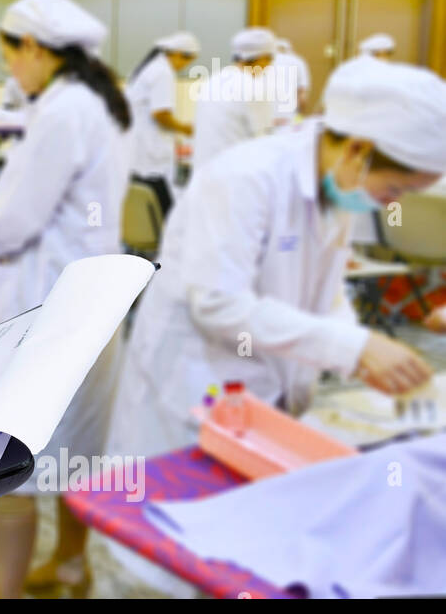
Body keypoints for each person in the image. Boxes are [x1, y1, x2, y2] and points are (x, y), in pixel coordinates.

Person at [109, 55, 444, 463]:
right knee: (172, 516)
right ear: (358, 151)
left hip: (265, 395)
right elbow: (218, 303)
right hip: (191, 393)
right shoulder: (247, 178)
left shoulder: (335, 185)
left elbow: (326, 293)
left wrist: (358, 353)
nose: (394, 203)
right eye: (395, 188)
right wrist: (350, 346)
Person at [0, 0, 131, 599]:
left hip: (46, 302)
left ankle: (8, 590)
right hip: (91, 299)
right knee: (76, 449)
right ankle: (72, 566)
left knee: (7, 451)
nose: (11, 72)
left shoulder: (64, 111)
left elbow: (20, 218)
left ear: (36, 49)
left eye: (9, 59)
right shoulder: (100, 103)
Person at [126, 31, 200, 214]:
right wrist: (186, 129)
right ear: (178, 54)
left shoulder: (149, 68)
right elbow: (161, 113)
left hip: (138, 151)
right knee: (163, 214)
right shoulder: (162, 72)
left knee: (143, 208)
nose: (184, 67)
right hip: (151, 155)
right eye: (187, 62)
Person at [191, 27, 278, 171]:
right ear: (260, 57)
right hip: (234, 173)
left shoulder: (213, 79)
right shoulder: (253, 86)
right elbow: (263, 139)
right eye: (269, 59)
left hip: (203, 170)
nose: (269, 66)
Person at [272, 36, 312, 116]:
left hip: (267, 115)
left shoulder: (265, 62)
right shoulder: (299, 62)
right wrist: (301, 113)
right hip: (289, 114)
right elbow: (302, 96)